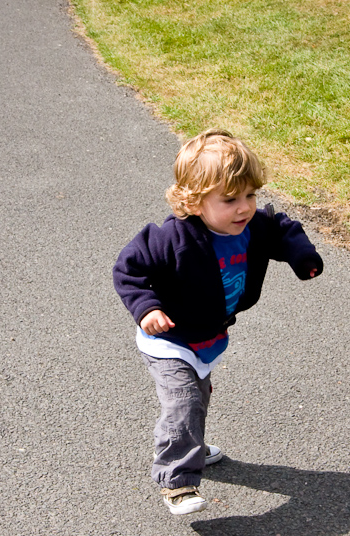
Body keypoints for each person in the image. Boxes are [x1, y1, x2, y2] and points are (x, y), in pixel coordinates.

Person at [113, 130, 324, 515]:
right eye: (230, 200)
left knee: (198, 398)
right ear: (194, 201)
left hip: (208, 335)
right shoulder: (168, 238)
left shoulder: (252, 226)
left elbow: (282, 229)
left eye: (249, 195)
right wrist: (147, 309)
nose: (244, 208)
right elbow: (129, 270)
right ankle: (177, 481)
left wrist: (302, 256)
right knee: (185, 401)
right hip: (168, 338)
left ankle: (188, 443)